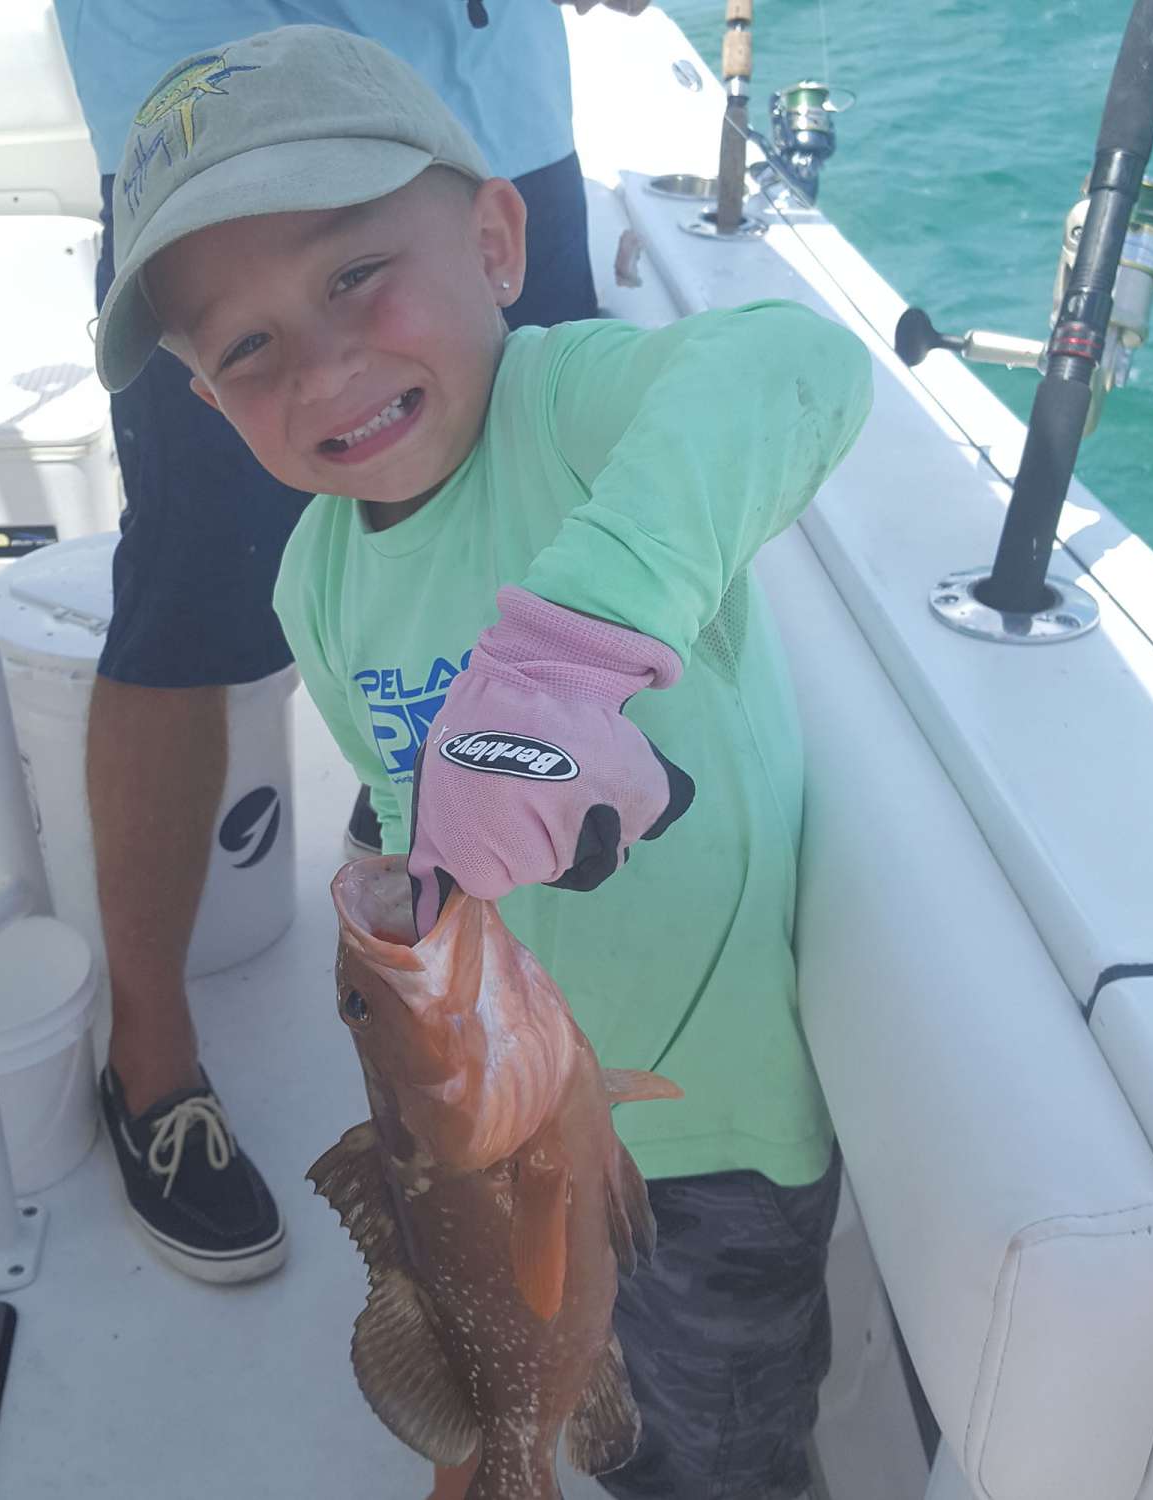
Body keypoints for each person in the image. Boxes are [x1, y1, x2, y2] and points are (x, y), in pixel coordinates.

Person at [94, 23, 872, 1500]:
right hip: (485, 1147)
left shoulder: (572, 410)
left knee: (712, 1460)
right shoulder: (312, 582)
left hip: (712, 1135)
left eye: (354, 275)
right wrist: (393, 882)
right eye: (246, 347)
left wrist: (578, 648)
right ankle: (493, 1445)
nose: (321, 366)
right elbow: (401, 791)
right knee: (534, 1381)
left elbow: (799, 364)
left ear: (500, 241)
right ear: (206, 404)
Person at [51, 0, 646, 1287]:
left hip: (471, 104)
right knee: (184, 608)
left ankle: (559, 1044)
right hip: (196, 128)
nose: (311, 371)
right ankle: (148, 1058)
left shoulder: (484, 220)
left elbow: (775, 387)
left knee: (547, 523)